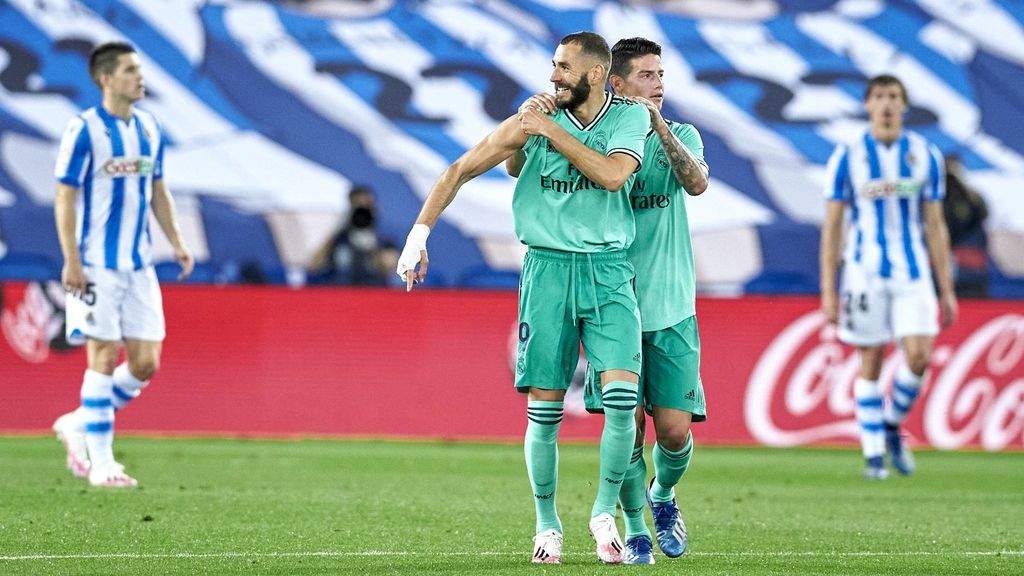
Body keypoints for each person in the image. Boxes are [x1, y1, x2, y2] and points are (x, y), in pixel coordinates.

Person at [397, 32, 651, 564]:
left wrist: (546, 130)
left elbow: (610, 175)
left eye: (564, 67)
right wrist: (418, 236)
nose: (553, 76)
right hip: (547, 270)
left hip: (608, 270)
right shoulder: (532, 118)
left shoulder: (629, 118)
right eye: (553, 65)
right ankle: (546, 526)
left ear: (597, 74)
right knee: (546, 408)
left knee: (624, 399)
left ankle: (603, 511)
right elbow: (459, 169)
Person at [51, 42, 194, 488]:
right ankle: (103, 464)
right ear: (106, 79)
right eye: (131, 70)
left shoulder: (149, 128)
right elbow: (64, 194)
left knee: (145, 363)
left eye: (140, 68)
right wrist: (72, 259)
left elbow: (158, 190)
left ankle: (78, 423)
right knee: (102, 355)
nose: (140, 76)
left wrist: (177, 241)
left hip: (139, 264)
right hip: (96, 265)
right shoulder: (84, 130)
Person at [591, 36, 711, 564]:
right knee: (625, 427)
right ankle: (636, 526)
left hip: (672, 305)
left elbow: (698, 183)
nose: (659, 84)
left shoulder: (681, 134)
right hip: (612, 304)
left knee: (673, 430)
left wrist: (658, 126)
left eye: (661, 74)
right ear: (616, 84)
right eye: (647, 75)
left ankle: (662, 496)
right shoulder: (599, 141)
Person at [820, 74, 957, 480]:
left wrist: (946, 287)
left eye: (893, 97)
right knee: (871, 360)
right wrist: (829, 288)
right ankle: (874, 456)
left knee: (919, 355)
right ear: (867, 104)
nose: (886, 104)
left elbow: (935, 225)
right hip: (863, 271)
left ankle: (892, 424)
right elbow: (833, 227)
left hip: (913, 270)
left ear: (904, 105)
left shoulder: (925, 155)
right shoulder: (848, 155)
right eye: (879, 97)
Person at [309, 185, 385, 286]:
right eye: (358, 206)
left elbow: (388, 272)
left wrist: (374, 244)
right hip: (342, 290)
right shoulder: (340, 235)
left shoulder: (383, 232)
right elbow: (314, 266)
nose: (362, 212)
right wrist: (336, 231)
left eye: (366, 205)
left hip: (372, 289)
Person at [942, 154, 989, 298]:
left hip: (969, 270)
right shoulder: (934, 197)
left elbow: (982, 213)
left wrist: (961, 185)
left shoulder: (971, 198)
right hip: (940, 265)